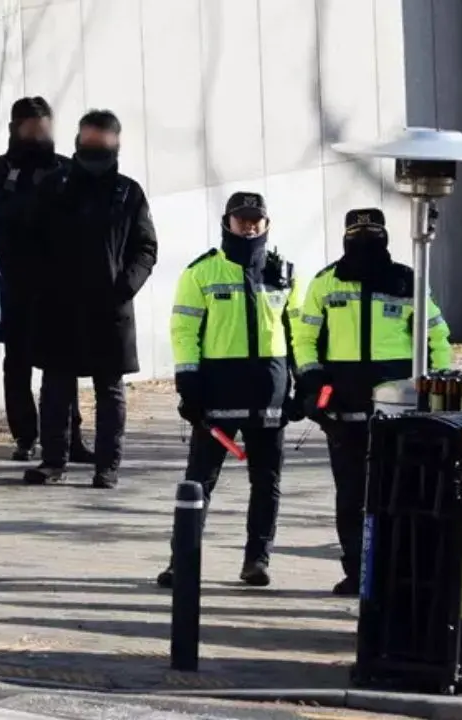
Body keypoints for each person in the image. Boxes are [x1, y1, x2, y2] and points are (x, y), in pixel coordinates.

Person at [293, 208, 452, 596]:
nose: (364, 240)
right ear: (346, 237)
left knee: (402, 493)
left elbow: (437, 337)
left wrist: (440, 390)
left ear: (385, 237)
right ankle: (357, 571)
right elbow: (304, 338)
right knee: (351, 494)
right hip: (342, 410)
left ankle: (400, 572)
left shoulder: (407, 281)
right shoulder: (325, 282)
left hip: (399, 411)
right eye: (357, 233)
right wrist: (313, 381)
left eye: (372, 233)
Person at [156, 192, 301, 589]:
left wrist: (304, 384)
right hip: (217, 393)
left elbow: (299, 333)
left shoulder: (284, 272)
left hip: (268, 392)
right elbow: (184, 332)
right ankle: (181, 561)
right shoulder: (201, 273)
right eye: (241, 219)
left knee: (266, 480)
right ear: (227, 222)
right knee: (199, 480)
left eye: (256, 219)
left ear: (267, 223)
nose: (249, 225)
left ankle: (257, 560)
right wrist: (189, 384)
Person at [23, 109, 158, 488]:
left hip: (109, 307)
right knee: (55, 386)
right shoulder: (55, 186)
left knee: (110, 391)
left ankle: (107, 466)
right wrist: (41, 284)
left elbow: (145, 247)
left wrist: (125, 286)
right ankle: (53, 461)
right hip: (59, 306)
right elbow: (29, 240)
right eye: (89, 139)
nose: (94, 147)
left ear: (116, 144)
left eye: (103, 141)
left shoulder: (128, 192)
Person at [0, 97, 94, 463]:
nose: (38, 135)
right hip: (13, 283)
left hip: (59, 284)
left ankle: (69, 437)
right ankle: (25, 436)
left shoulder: (67, 169)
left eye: (44, 128)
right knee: (17, 363)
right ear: (15, 129)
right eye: (31, 128)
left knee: (62, 364)